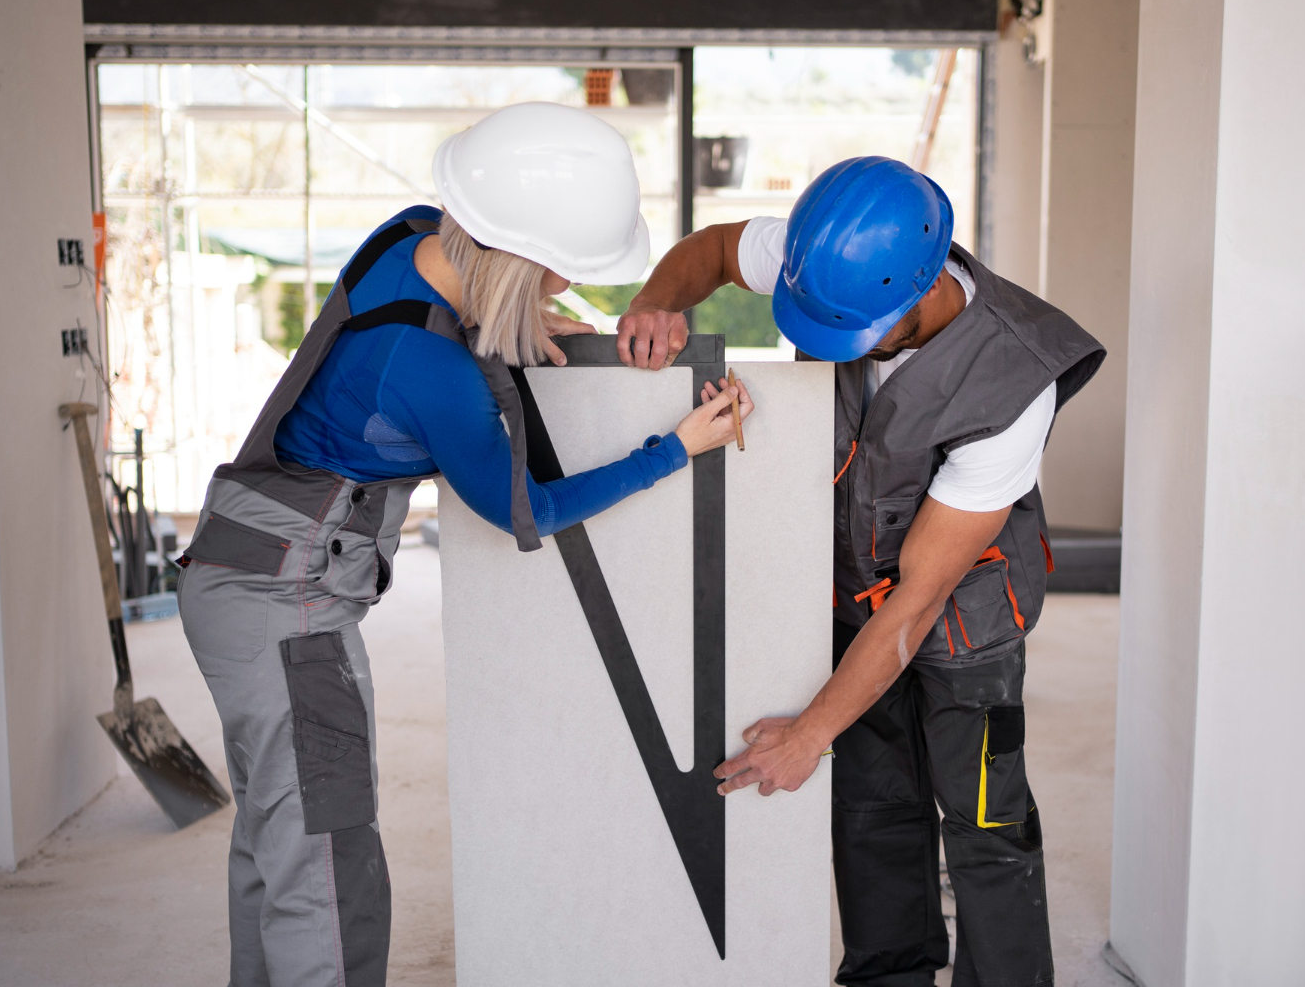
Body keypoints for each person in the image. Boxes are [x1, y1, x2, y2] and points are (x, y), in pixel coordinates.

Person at [177, 102, 752, 987]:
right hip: (287, 607)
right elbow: (528, 512)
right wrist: (674, 449)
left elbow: (447, 318)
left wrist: (517, 323)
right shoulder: (431, 371)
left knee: (278, 845)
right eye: (558, 275)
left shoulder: (409, 235)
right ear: (517, 256)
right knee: (328, 867)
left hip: (237, 564)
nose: (566, 288)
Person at [617, 156, 1104, 987]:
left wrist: (810, 733)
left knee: (986, 826)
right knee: (873, 808)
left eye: (860, 331)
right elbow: (714, 250)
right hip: (851, 592)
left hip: (967, 620)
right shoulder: (829, 260)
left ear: (924, 288)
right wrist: (655, 302)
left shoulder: (1013, 380)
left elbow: (920, 598)